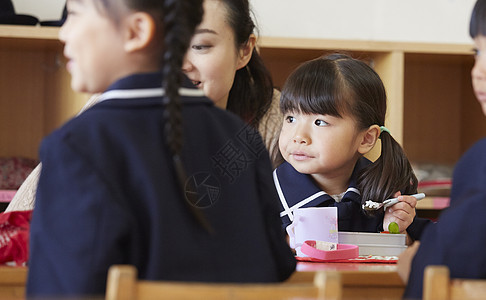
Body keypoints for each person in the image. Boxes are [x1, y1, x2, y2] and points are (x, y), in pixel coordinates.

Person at [26, 0, 295, 297]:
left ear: (137, 31)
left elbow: (62, 290)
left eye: (74, 16)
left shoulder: (78, 144)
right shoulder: (243, 137)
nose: (63, 33)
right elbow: (278, 266)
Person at [6, 0, 282, 213]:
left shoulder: (280, 119)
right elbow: (24, 215)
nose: (179, 64)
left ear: (244, 51)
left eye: (200, 46)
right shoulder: (105, 117)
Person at [273, 54, 430, 243]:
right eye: (291, 119)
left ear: (366, 139)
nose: (298, 136)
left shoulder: (387, 194)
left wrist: (396, 233)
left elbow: (418, 255)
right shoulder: (264, 195)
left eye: (320, 122)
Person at [398, 1, 486, 297]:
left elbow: (440, 272)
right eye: (477, 52)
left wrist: (415, 263)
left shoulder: (479, 162)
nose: (479, 71)